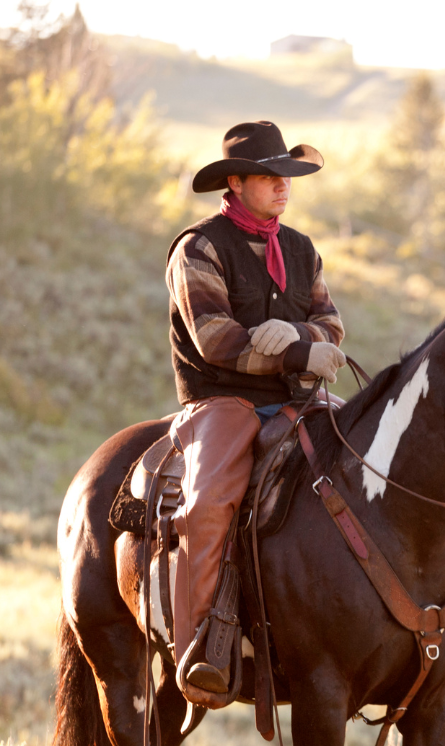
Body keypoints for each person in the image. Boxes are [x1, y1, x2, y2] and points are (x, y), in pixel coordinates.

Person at [166, 120, 346, 699]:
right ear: (237, 182)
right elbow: (214, 339)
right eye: (270, 177)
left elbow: (330, 324)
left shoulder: (300, 248)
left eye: (286, 177)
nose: (283, 187)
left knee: (377, 452)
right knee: (207, 504)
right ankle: (202, 648)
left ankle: (432, 615)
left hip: (299, 399)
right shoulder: (199, 248)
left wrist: (297, 335)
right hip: (222, 400)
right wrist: (299, 350)